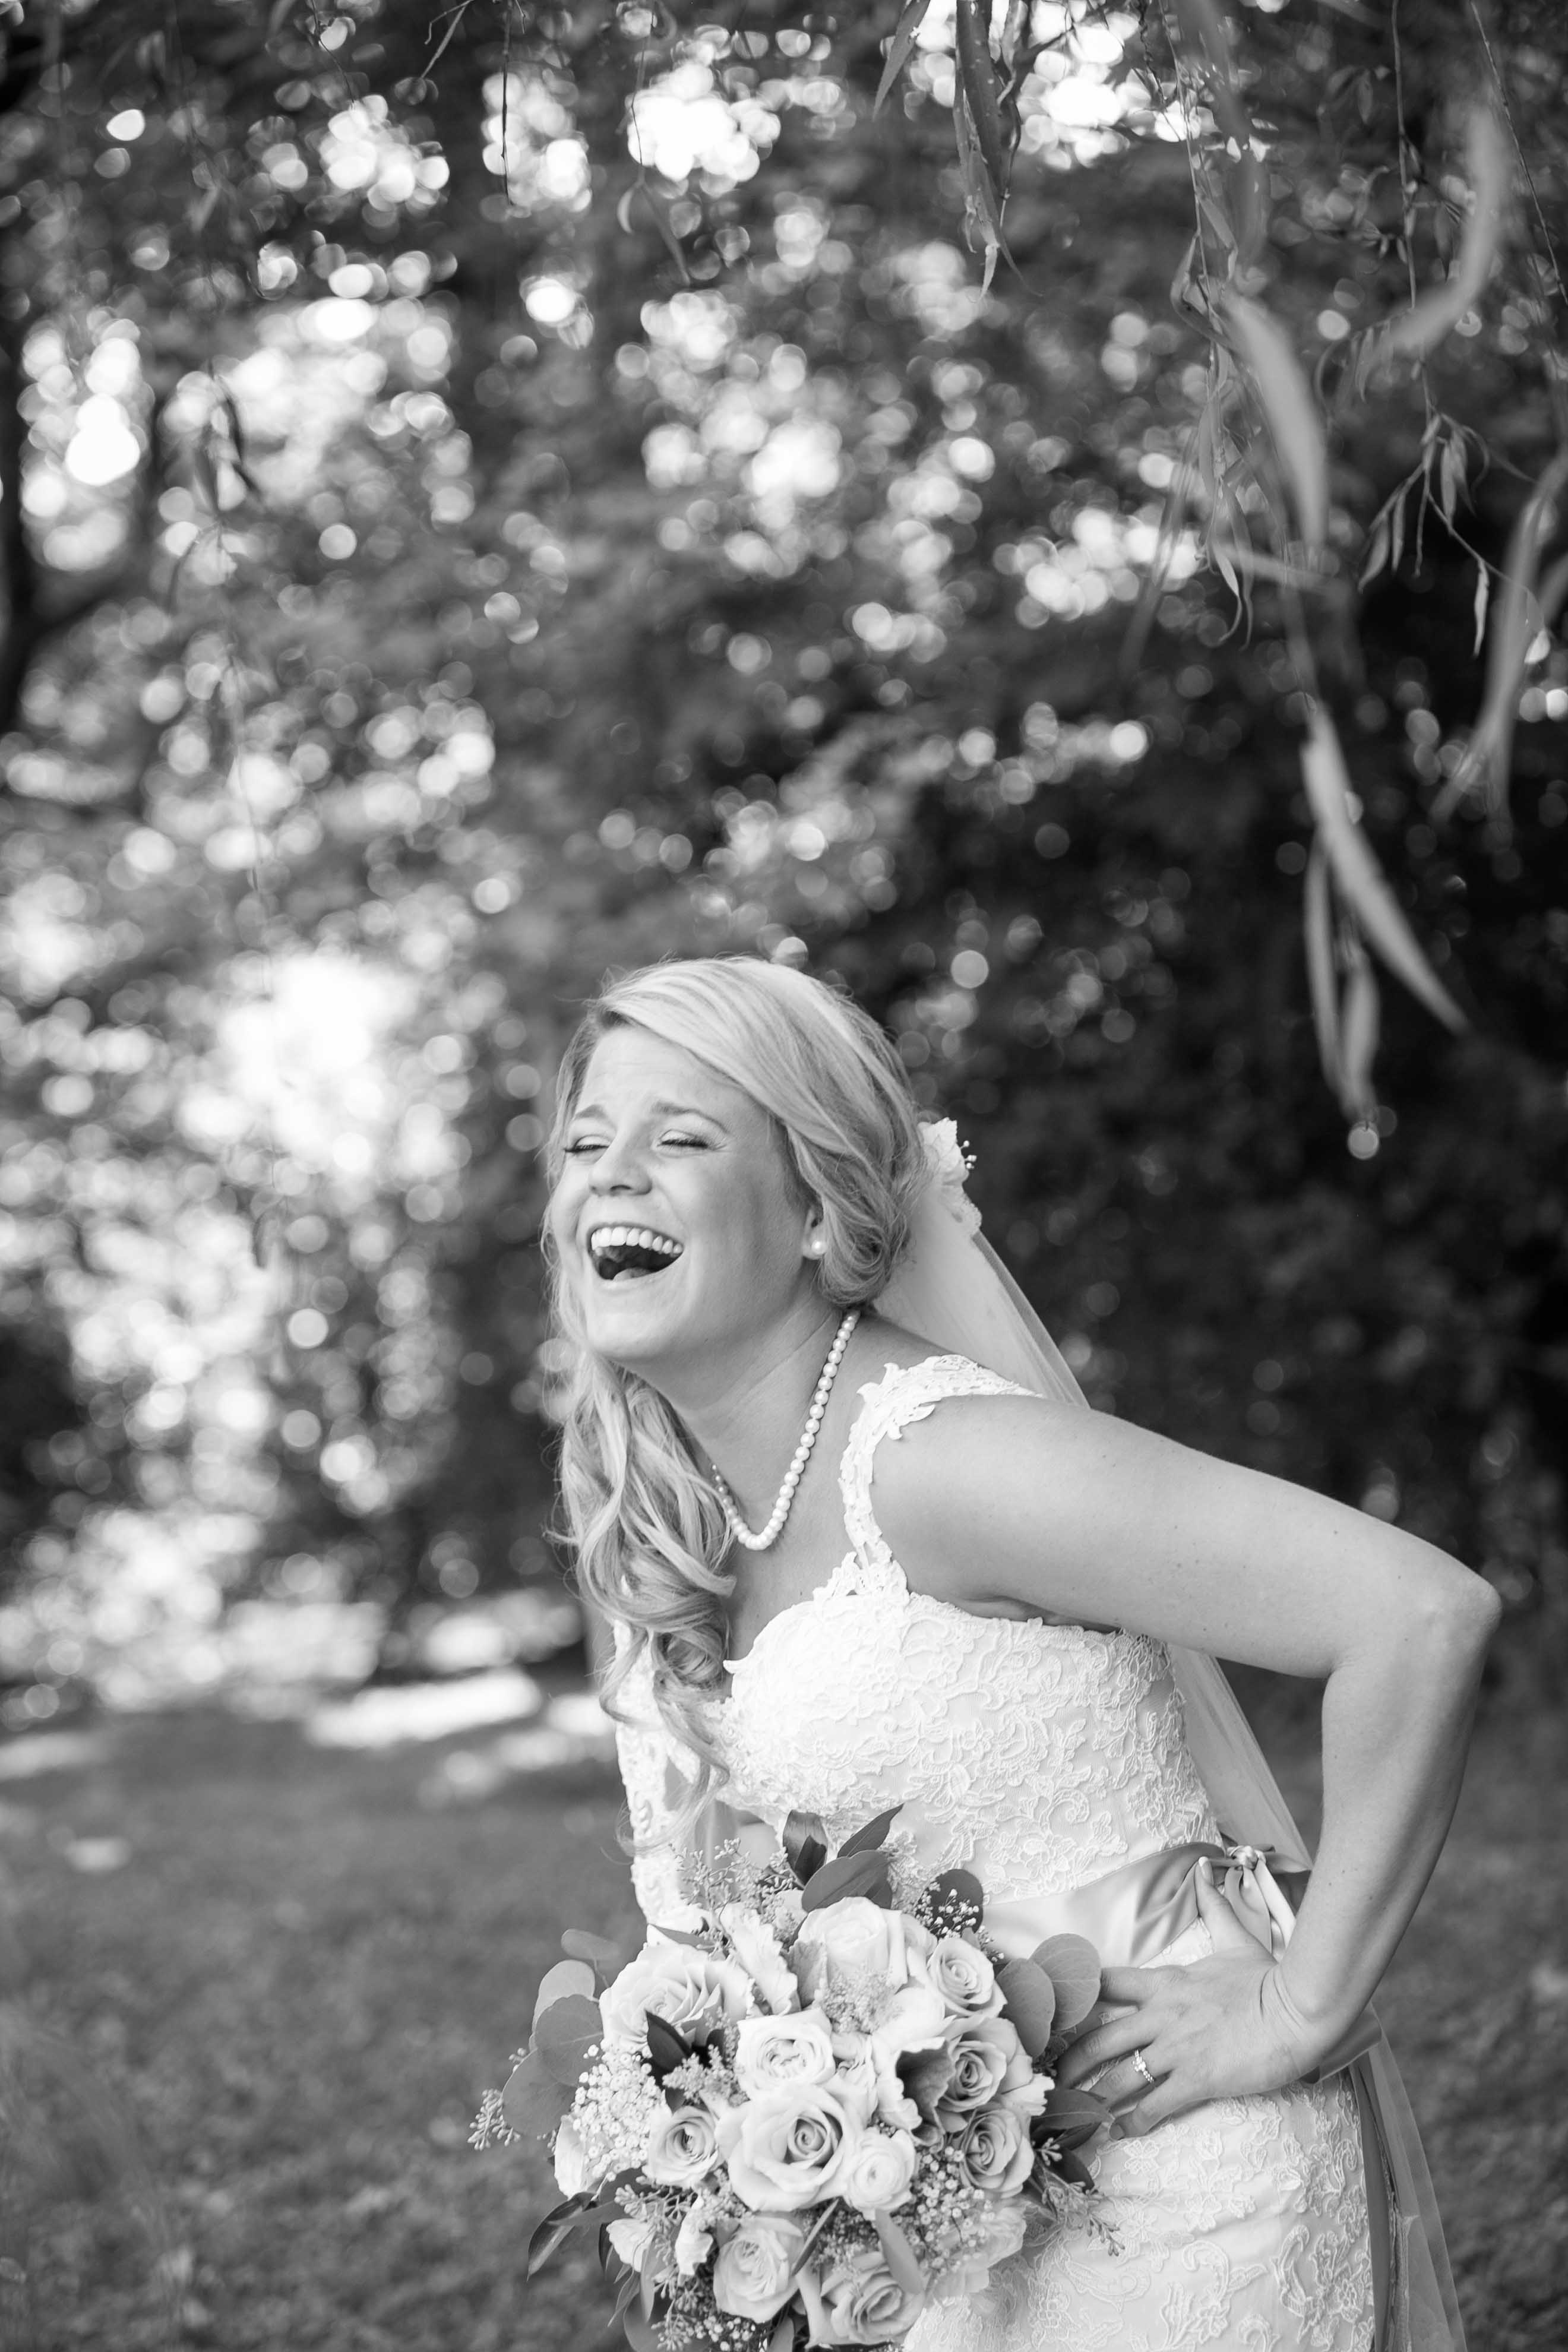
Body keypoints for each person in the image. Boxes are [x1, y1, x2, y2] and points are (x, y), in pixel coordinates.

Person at [545, 953, 1493, 2352]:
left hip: (1174, 2189)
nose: (613, 1174)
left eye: (679, 1138)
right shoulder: (658, 1530)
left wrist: (1301, 2006)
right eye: (585, 1144)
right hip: (940, 2233)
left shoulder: (941, 1462)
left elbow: (1414, 1615)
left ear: (815, 1208)